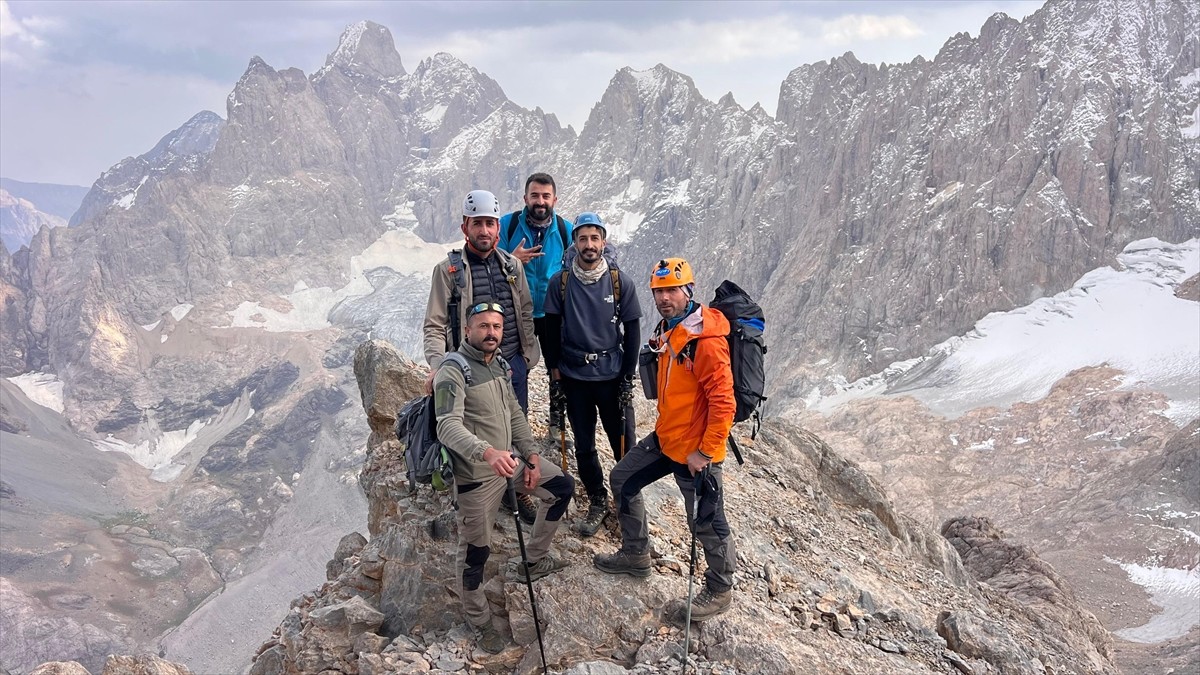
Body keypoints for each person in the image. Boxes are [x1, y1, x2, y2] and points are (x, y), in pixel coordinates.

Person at [593, 258, 738, 623]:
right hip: (667, 438)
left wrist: (705, 451)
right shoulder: (671, 330)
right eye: (658, 292)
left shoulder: (705, 342)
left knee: (706, 520)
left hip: (695, 450)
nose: (664, 298)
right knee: (623, 480)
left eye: (672, 290)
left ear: (688, 291)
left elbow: (724, 402)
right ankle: (635, 554)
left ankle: (720, 590)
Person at [434, 300, 575, 654]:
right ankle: (479, 620)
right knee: (475, 553)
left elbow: (514, 414)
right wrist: (487, 452)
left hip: (508, 462)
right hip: (477, 475)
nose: (491, 333)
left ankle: (534, 558)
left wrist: (528, 455)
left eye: (496, 327)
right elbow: (446, 425)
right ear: (467, 330)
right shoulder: (454, 370)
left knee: (560, 487)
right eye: (483, 326)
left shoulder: (498, 364)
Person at [542, 212, 641, 537]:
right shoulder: (561, 282)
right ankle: (597, 499)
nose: (589, 245)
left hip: (611, 377)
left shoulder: (619, 281)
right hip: (575, 377)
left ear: (603, 242)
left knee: (623, 446)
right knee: (584, 446)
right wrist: (554, 371)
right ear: (576, 243)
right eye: (583, 239)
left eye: (594, 238)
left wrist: (627, 376)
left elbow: (633, 329)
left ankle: (627, 500)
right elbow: (551, 329)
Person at [423, 188, 540, 412]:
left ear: (498, 228)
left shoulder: (512, 266)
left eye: (489, 223)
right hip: (470, 372)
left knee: (516, 431)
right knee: (481, 438)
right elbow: (435, 324)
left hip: (513, 365)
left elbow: (525, 311)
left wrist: (525, 358)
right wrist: (438, 365)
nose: (484, 230)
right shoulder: (447, 271)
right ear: (465, 227)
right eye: (477, 223)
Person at [498, 173, 573, 432]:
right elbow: (488, 262)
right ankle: (518, 425)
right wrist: (511, 258)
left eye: (545, 196)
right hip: (518, 310)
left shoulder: (565, 230)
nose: (540, 201)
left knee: (557, 366)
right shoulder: (506, 225)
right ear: (525, 198)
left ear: (554, 199)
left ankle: (557, 423)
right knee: (519, 367)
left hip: (554, 311)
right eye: (535, 196)